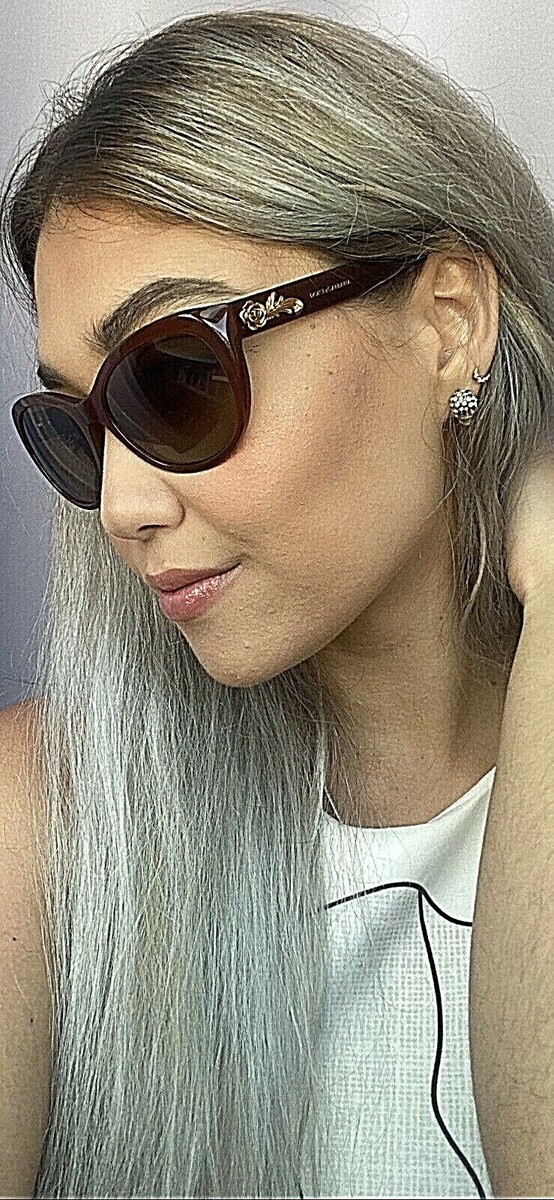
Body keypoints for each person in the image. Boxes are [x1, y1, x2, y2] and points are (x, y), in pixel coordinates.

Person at [0, 9, 552, 1198]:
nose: (121, 509)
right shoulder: (39, 834)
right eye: (81, 426)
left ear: (448, 322)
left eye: (176, 377)